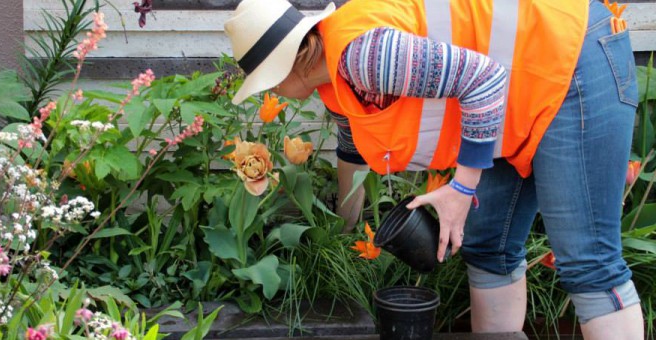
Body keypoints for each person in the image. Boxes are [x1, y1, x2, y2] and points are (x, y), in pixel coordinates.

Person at [224, 0, 644, 338]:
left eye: (267, 81)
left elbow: (484, 81)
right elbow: (352, 146)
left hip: (570, 59)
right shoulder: (334, 80)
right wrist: (344, 227)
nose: (272, 91)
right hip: (515, 97)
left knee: (587, 261)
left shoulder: (364, 56)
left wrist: (461, 191)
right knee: (488, 249)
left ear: (288, 64)